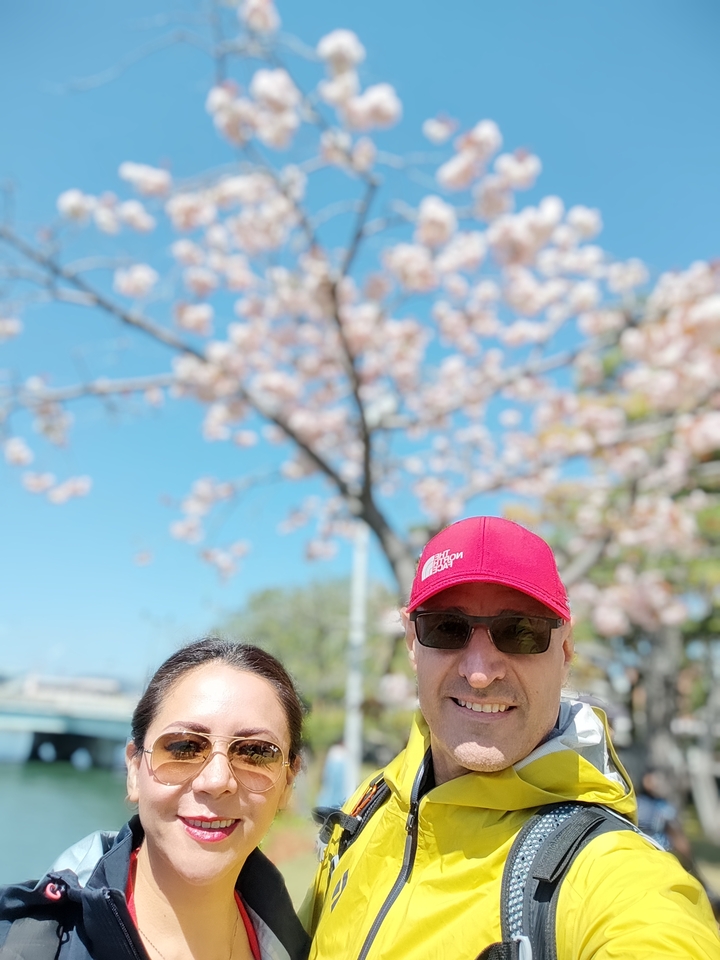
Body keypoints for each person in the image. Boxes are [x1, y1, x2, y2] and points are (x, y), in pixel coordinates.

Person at [301, 516, 720, 959]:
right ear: (411, 641)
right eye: (446, 627)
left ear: (565, 649)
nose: (480, 672)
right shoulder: (370, 806)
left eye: (520, 631)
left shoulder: (612, 875)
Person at [0, 638, 310, 960]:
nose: (217, 781)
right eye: (183, 747)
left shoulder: (302, 945)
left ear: (288, 782)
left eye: (256, 752)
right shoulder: (26, 945)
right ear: (134, 769)